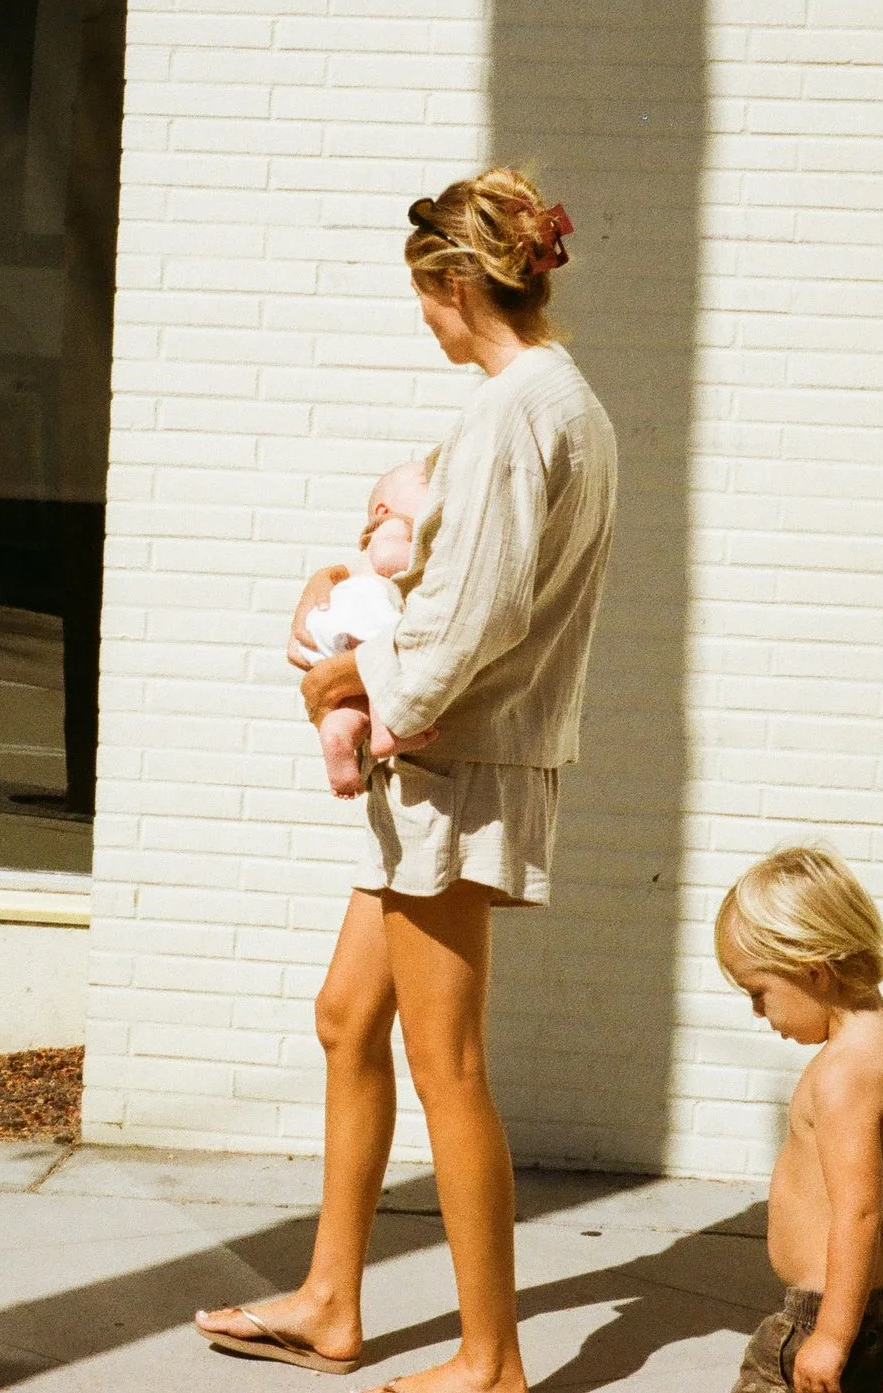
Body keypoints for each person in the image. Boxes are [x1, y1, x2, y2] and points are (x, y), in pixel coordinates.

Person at [194, 168, 618, 1393]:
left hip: (450, 759)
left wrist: (349, 689)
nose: (423, 323)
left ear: (456, 282)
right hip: (443, 753)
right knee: (346, 1016)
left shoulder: (511, 413)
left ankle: (491, 1363)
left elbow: (472, 615)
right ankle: (333, 1298)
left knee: (451, 1065)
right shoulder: (554, 401)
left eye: (425, 299)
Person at [715, 846, 883, 1393]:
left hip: (826, 1324)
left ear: (813, 970)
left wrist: (830, 1335)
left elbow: (859, 1212)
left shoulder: (843, 1074)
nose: (759, 1013)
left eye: (759, 993)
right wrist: (880, 1236)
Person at [293, 460, 432, 797]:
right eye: (429, 496)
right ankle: (386, 731)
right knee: (385, 664)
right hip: (363, 611)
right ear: (382, 510)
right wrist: (428, 562)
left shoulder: (383, 534)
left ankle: (338, 734)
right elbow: (387, 560)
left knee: (354, 701)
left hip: (341, 626)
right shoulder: (395, 526)